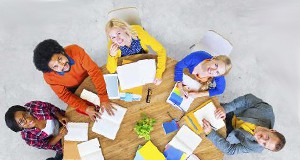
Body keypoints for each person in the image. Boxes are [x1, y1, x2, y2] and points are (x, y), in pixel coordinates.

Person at [33, 39, 114, 121]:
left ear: (62, 52)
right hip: (73, 88)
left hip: (89, 76)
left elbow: (94, 72)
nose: (62, 65)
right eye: (55, 66)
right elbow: (65, 95)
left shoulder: (75, 50)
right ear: (51, 70)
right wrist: (85, 108)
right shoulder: (49, 77)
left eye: (60, 59)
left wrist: (103, 97)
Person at [202, 94, 286, 155]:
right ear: (272, 130)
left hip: (230, 131)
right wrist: (225, 109)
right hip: (231, 112)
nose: (261, 139)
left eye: (264, 144)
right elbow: (247, 99)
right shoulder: (266, 110)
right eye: (267, 137)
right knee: (202, 107)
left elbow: (231, 150)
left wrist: (211, 133)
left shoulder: (256, 148)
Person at [105, 18, 167, 85]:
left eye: (118, 33)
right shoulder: (112, 45)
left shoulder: (139, 34)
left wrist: (159, 73)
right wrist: (111, 55)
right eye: (113, 37)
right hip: (128, 68)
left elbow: (161, 50)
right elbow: (111, 70)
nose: (118, 39)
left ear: (124, 29)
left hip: (144, 62)